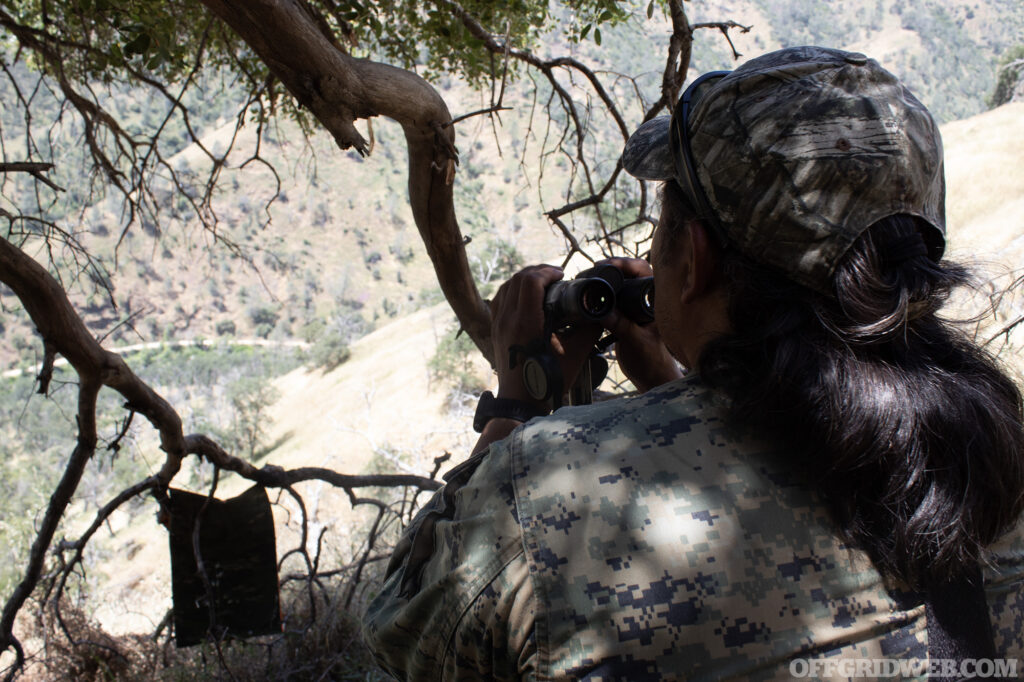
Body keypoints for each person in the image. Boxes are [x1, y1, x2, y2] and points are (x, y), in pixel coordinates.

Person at [363, 46, 1024, 680]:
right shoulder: (993, 451)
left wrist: (515, 405)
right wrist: (679, 382)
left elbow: (403, 632)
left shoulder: (546, 493)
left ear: (697, 258)